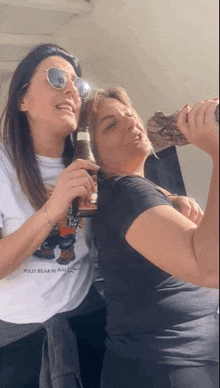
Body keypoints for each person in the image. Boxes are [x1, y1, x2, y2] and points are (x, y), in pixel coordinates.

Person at [0, 44, 206, 388]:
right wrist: (52, 209)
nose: (69, 90)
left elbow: (125, 183)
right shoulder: (3, 167)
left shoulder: (88, 156)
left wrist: (172, 197)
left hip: (87, 316)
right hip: (17, 332)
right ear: (22, 99)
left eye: (77, 85)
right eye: (55, 78)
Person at [81, 87, 219, 388]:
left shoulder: (130, 192)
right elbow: (210, 267)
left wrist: (172, 199)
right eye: (111, 125)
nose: (132, 124)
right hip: (166, 366)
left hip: (176, 359)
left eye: (130, 115)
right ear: (94, 151)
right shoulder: (125, 192)